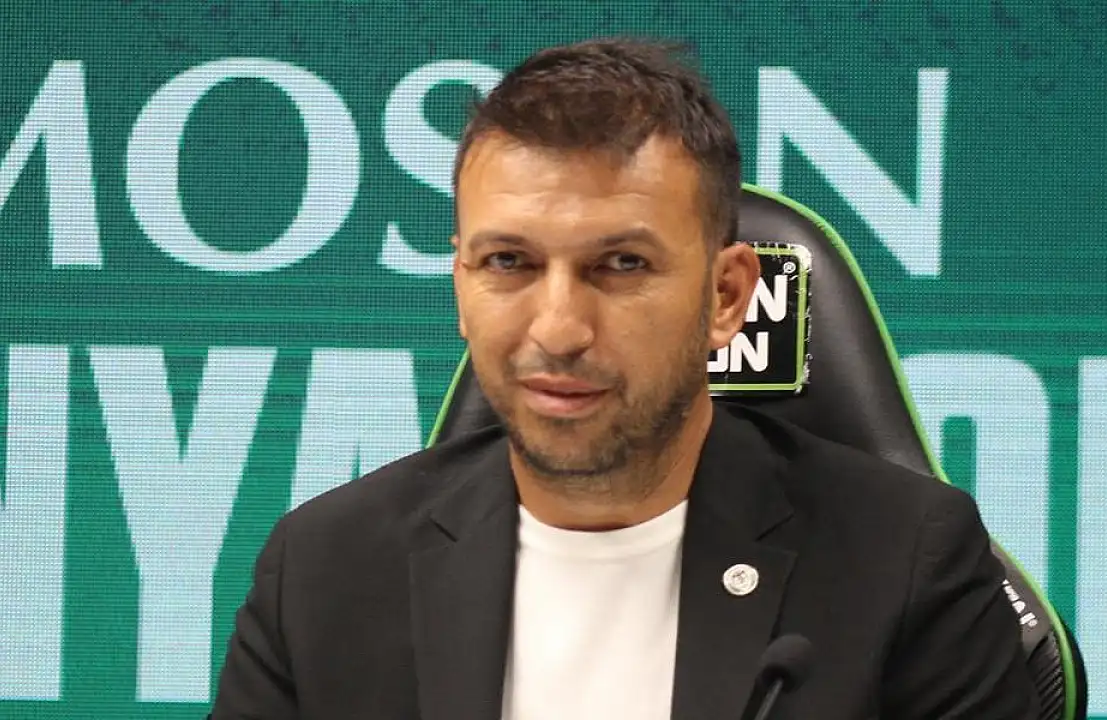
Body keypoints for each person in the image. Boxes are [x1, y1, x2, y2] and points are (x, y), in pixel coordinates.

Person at [211, 38, 1038, 720]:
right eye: (509, 262)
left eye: (622, 264)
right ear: (461, 285)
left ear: (726, 297)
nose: (559, 329)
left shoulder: (904, 565)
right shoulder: (326, 573)